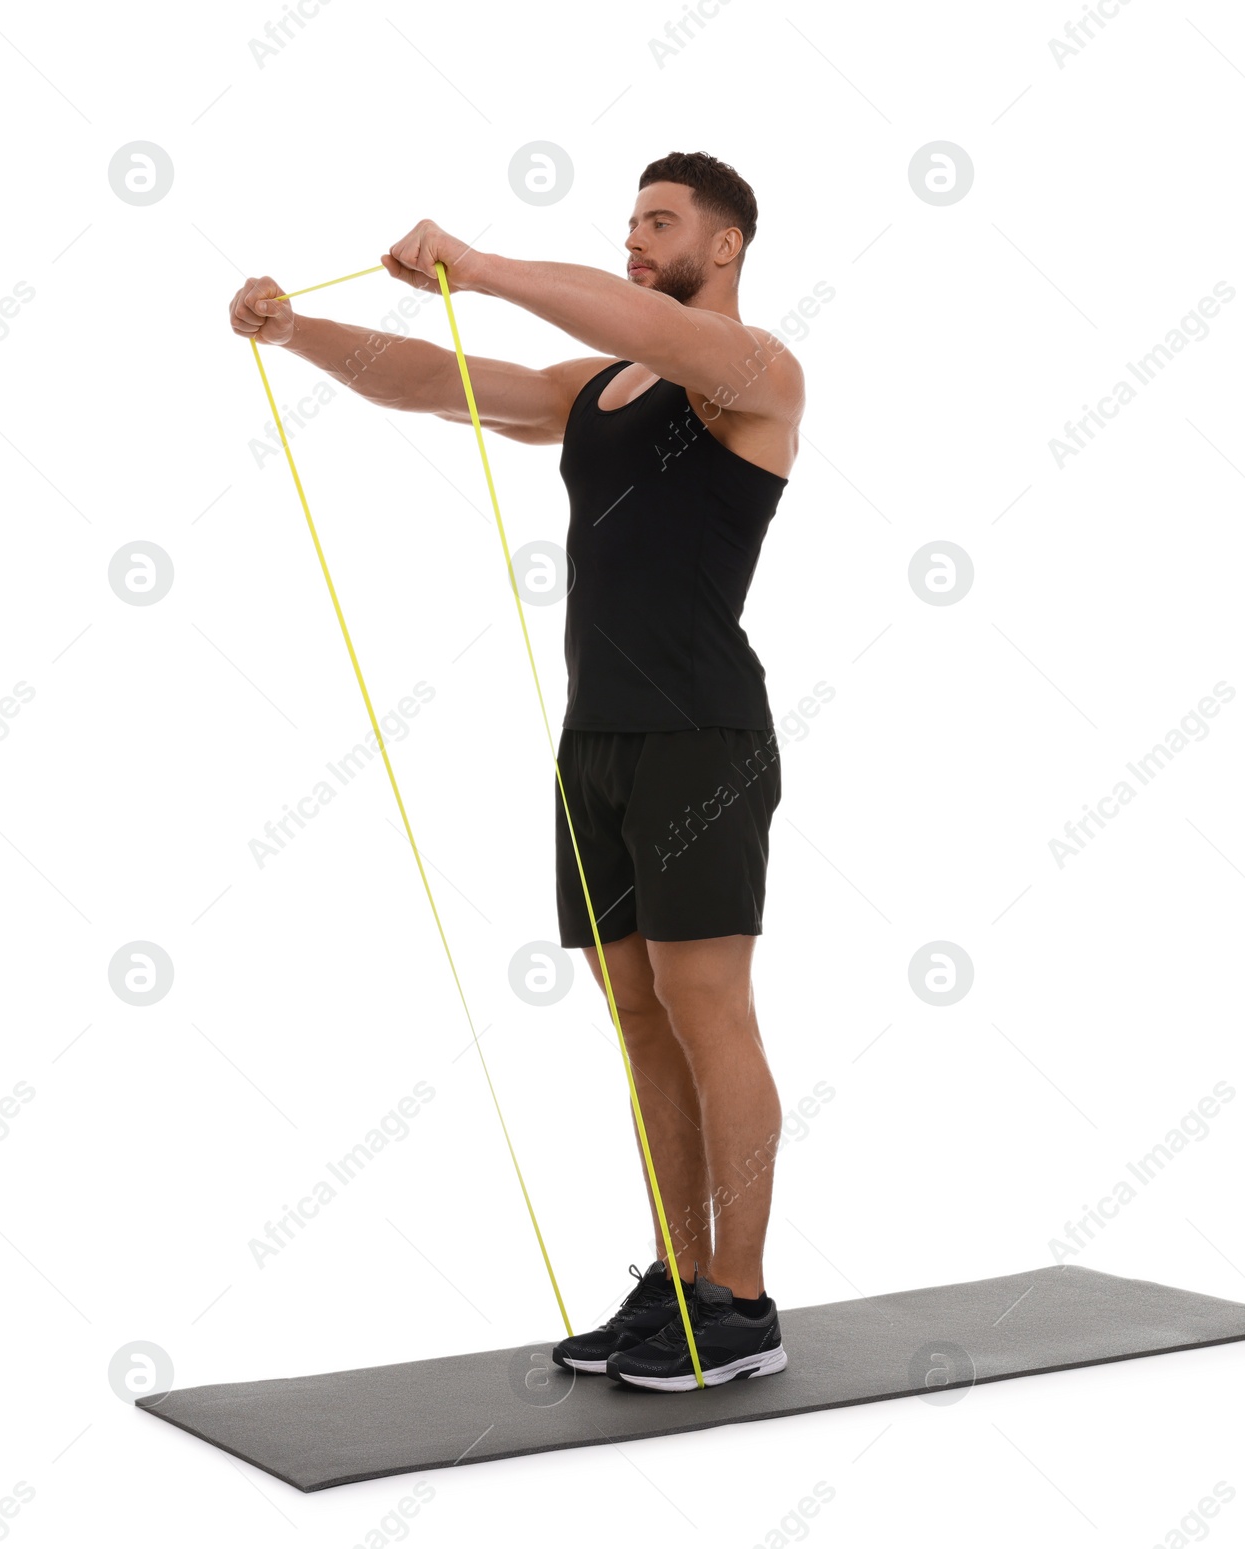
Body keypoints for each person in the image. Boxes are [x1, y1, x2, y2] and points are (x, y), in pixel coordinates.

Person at [227, 151, 803, 1392]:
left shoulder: (757, 375)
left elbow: (646, 319)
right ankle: (679, 1275)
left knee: (710, 1014)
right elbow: (444, 386)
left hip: (701, 734)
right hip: (595, 741)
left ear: (727, 246)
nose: (638, 238)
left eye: (663, 222)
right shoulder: (601, 384)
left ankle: (741, 1303)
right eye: (632, 219)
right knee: (639, 1017)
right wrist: (298, 331)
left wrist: (482, 266)